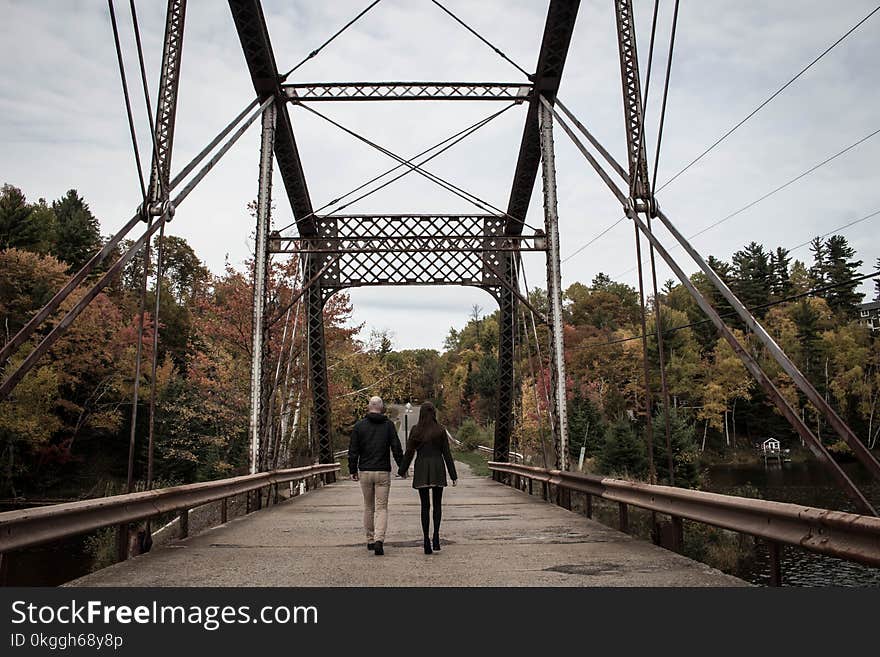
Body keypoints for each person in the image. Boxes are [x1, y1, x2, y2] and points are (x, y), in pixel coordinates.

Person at [398, 402, 457, 554]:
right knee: (437, 505)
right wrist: (453, 475)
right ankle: (436, 537)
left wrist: (402, 470)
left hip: (422, 468)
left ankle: (426, 540)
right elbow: (447, 454)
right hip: (438, 467)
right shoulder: (440, 431)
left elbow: (410, 452)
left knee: (425, 506)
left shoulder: (416, 430)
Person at [348, 396, 403, 556]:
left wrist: (352, 470)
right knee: (381, 507)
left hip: (365, 471)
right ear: (382, 408)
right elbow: (396, 447)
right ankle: (379, 539)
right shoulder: (388, 426)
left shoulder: (359, 426)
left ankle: (370, 539)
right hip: (382, 472)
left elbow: (353, 450)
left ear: (368, 407)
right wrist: (402, 467)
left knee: (368, 506)